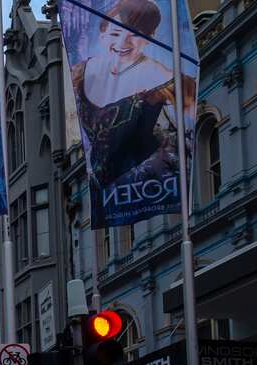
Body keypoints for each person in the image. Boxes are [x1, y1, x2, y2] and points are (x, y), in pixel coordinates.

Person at [69, 0, 196, 221]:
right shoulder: (81, 72)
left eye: (135, 34)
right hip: (104, 190)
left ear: (150, 36)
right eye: (116, 32)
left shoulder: (164, 78)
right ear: (103, 33)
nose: (123, 42)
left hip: (146, 181)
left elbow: (196, 118)